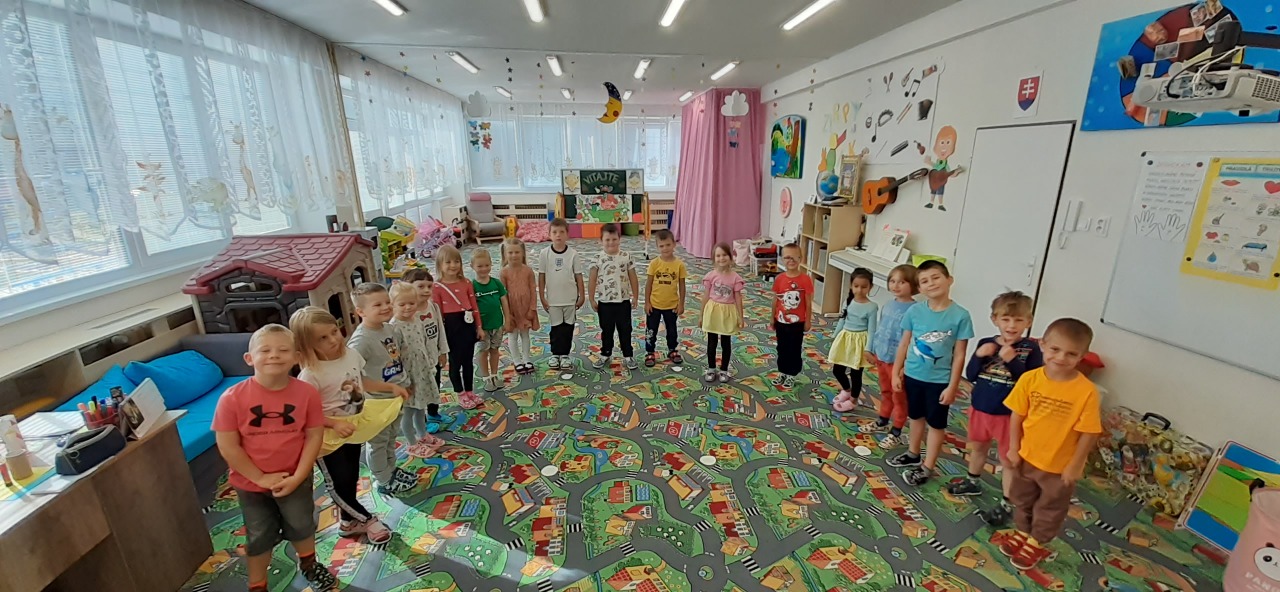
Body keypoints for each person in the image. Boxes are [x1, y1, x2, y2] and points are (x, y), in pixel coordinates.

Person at [212, 324, 337, 592]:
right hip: (250, 484)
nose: (274, 355)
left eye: (283, 350)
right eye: (265, 350)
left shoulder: (306, 393)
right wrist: (260, 478)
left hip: (295, 477)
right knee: (259, 535)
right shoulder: (231, 398)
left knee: (302, 524)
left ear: (296, 357)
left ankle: (309, 564)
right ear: (249, 358)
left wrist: (299, 476)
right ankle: (257, 585)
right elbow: (228, 446)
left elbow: (313, 435)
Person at [292, 307, 404, 542]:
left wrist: (389, 387)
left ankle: (347, 522)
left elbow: (360, 381)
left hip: (351, 426)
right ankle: (367, 519)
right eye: (322, 338)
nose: (333, 340)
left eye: (334, 332)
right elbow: (303, 412)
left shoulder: (350, 355)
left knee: (349, 477)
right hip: (325, 437)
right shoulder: (310, 375)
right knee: (337, 483)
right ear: (307, 344)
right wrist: (333, 423)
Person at [1001, 318, 1102, 571]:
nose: (1061, 358)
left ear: (1082, 356)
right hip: (1027, 456)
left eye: (1071, 354)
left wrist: (1075, 464)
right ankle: (1023, 532)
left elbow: (1089, 433)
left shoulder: (1086, 391)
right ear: (1043, 345)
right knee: (1022, 498)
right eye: (1055, 349)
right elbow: (1017, 415)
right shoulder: (1029, 379)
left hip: (1059, 466)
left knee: (1050, 507)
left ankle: (1037, 541)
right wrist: (1013, 448)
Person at [948, 291, 1044, 525]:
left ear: (1028, 321)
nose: (1011, 325)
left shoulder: (1031, 350)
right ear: (995, 319)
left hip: (1009, 416)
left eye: (1018, 320)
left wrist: (1012, 361)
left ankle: (1007, 503)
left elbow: (1030, 383)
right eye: (1006, 319)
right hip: (980, 408)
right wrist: (979, 356)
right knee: (978, 448)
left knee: (1008, 460)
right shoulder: (986, 343)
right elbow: (971, 375)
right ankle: (973, 481)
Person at [888, 260, 973, 487]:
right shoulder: (914, 311)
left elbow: (960, 355)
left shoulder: (960, 315)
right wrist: (896, 373)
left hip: (939, 381)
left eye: (936, 277)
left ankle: (928, 466)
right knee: (915, 416)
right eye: (924, 281)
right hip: (913, 375)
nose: (931, 283)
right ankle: (913, 453)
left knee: (936, 424)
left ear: (949, 280)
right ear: (919, 288)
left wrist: (953, 386)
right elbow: (904, 344)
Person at [347, 283, 420, 495]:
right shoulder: (360, 341)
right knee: (378, 442)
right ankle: (383, 480)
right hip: (377, 401)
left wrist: (405, 382)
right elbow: (353, 378)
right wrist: (388, 387)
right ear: (360, 311)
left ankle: (390, 471)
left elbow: (398, 358)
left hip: (395, 397)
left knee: (391, 437)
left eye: (387, 302)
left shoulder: (389, 329)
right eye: (377, 305)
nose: (386, 307)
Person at [861, 264, 918, 447]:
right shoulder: (888, 305)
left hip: (898, 362)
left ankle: (896, 431)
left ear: (913, 284)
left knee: (899, 397)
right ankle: (883, 420)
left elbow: (912, 340)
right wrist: (872, 350)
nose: (895, 285)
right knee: (885, 391)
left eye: (902, 282)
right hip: (882, 357)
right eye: (892, 281)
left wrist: (904, 365)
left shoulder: (915, 310)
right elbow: (880, 329)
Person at [388, 283, 447, 456]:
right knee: (409, 411)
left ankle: (422, 435)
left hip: (421, 370)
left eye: (411, 303)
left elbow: (422, 342)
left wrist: (430, 363)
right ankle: (411, 443)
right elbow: (393, 358)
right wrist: (403, 381)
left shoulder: (416, 320)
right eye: (402, 304)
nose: (408, 307)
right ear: (392, 304)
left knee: (421, 406)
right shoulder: (394, 328)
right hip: (407, 376)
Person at [433, 245, 483, 409]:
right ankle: (460, 393)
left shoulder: (466, 282)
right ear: (440, 265)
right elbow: (438, 314)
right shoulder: (437, 287)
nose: (453, 265)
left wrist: (479, 327)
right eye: (448, 262)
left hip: (467, 325)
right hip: (450, 327)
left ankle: (469, 390)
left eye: (456, 261)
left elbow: (474, 307)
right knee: (455, 362)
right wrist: (440, 338)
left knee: (468, 361)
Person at [402, 268, 452, 431]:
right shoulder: (407, 313)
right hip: (417, 362)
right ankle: (421, 423)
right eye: (421, 286)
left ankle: (433, 413)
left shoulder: (433, 307)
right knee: (419, 391)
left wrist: (443, 351)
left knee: (434, 386)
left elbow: (440, 329)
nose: (426, 290)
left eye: (429, 286)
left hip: (433, 356)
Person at [589, 223, 640, 370]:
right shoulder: (597, 258)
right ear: (601, 240)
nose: (611, 242)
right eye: (607, 239)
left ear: (619, 239)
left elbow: (633, 277)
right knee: (606, 330)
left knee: (625, 329)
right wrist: (591, 298)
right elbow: (592, 279)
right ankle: (605, 353)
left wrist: (635, 296)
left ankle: (628, 355)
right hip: (605, 303)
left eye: (614, 239)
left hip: (623, 302)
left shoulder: (626, 257)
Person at [828, 268, 878, 411]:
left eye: (864, 287)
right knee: (838, 370)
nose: (860, 290)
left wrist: (868, 349)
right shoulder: (848, 301)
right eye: (856, 286)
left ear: (870, 287)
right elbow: (842, 320)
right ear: (851, 285)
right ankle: (846, 390)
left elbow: (872, 330)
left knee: (856, 374)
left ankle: (854, 400)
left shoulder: (872, 307)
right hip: (845, 339)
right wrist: (835, 336)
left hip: (860, 342)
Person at [538, 218, 585, 370]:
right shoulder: (544, 254)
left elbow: (578, 276)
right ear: (549, 234)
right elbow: (541, 277)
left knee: (568, 328)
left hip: (570, 299)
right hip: (553, 300)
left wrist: (582, 295)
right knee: (556, 328)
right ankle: (555, 354)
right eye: (554, 232)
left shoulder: (573, 254)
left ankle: (565, 354)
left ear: (567, 234)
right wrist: (542, 297)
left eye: (561, 232)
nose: (558, 235)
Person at [700, 242, 745, 383]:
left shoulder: (735, 277)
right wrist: (701, 315)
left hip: (727, 313)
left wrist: (741, 317)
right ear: (714, 258)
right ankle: (711, 368)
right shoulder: (710, 276)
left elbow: (738, 298)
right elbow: (706, 296)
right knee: (711, 342)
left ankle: (724, 369)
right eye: (718, 255)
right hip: (713, 312)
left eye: (724, 255)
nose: (721, 258)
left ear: (730, 257)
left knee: (726, 343)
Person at [771, 243, 813, 390]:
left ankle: (792, 374)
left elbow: (808, 302)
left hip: (797, 322)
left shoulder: (805, 279)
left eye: (794, 257)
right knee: (781, 347)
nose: (791, 261)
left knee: (794, 348)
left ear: (800, 258)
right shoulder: (779, 279)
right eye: (787, 257)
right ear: (782, 259)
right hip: (781, 321)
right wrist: (772, 317)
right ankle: (782, 371)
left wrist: (808, 320)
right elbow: (775, 300)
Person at [644, 230, 687, 368]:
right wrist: (647, 302)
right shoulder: (654, 263)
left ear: (674, 244)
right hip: (654, 305)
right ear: (657, 247)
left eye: (668, 245)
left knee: (672, 330)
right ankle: (650, 351)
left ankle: (672, 350)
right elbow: (648, 284)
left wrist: (681, 304)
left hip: (672, 305)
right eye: (661, 246)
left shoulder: (679, 265)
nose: (665, 248)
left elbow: (682, 286)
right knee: (651, 330)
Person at [471, 249, 509, 393]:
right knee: (483, 351)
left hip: (497, 324)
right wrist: (476, 326)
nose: (484, 269)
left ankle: (494, 374)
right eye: (480, 266)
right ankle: (486, 377)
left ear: (491, 264)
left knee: (495, 350)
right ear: (472, 266)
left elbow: (504, 302)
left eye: (487, 265)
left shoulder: (496, 283)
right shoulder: (472, 286)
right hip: (482, 327)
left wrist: (507, 319)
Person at [500, 238, 539, 375]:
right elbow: (502, 295)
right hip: (511, 309)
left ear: (522, 253)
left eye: (517, 252)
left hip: (526, 308)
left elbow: (533, 290)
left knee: (525, 334)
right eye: (510, 252)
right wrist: (507, 313)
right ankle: (517, 361)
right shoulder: (504, 272)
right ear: (505, 254)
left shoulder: (528, 271)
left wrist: (532, 308)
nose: (514, 255)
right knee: (513, 335)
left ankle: (527, 359)